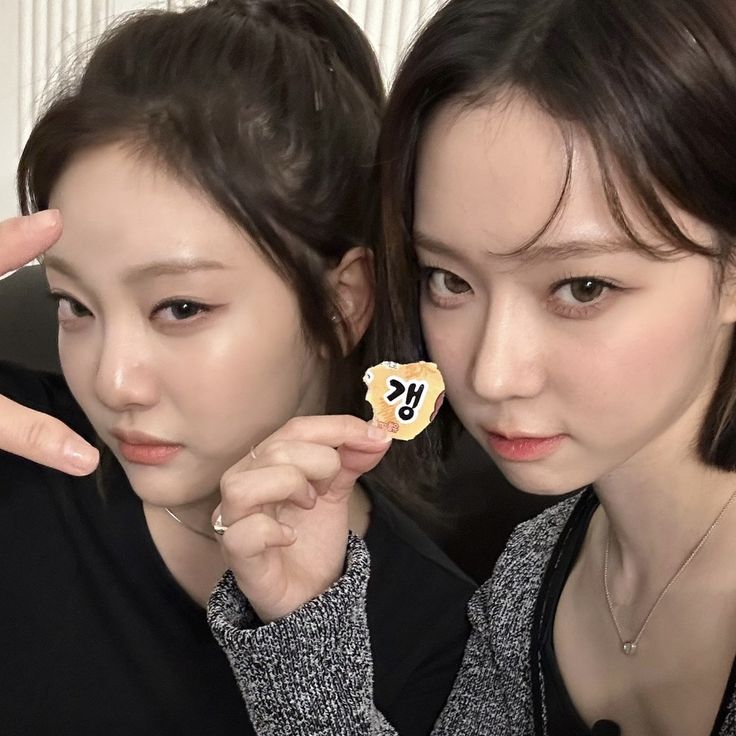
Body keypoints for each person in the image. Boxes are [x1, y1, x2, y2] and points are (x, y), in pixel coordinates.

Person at [201, 0, 736, 734]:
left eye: (582, 287)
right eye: (448, 280)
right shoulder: (529, 577)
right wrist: (307, 628)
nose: (489, 374)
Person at [0, 1, 475, 733]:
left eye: (181, 308)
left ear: (344, 301)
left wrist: (309, 659)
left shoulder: (444, 645)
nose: (113, 382)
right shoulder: (21, 453)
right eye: (74, 305)